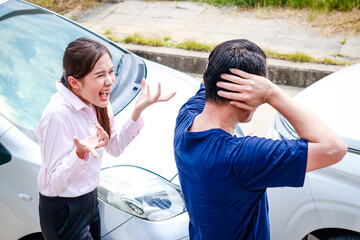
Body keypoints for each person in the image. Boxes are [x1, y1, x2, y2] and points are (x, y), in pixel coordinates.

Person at [173, 39, 347, 240]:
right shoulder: (241, 157)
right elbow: (334, 148)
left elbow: (208, 81)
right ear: (245, 95)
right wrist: (272, 93)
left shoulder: (186, 117)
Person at [37, 37, 175, 240]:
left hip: (89, 199)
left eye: (111, 71)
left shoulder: (98, 101)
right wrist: (79, 154)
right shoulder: (58, 115)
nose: (110, 81)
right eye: (100, 75)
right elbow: (56, 184)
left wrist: (136, 112)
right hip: (63, 209)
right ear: (74, 82)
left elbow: (115, 147)